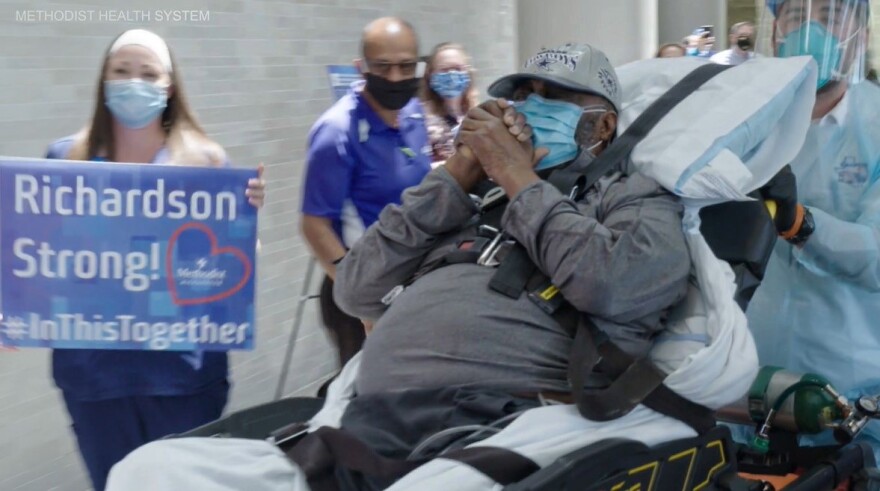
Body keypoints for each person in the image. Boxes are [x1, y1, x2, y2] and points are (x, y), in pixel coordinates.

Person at [319, 42, 691, 489]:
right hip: (372, 421)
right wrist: (459, 173)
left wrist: (518, 177)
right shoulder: (470, 198)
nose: (532, 108)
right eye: (524, 95)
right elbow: (354, 288)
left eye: (555, 96)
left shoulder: (629, 196)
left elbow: (617, 284)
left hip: (492, 424)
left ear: (604, 125)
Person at [44, 29, 266, 491]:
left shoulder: (205, 161)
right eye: (121, 71)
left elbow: (230, 271)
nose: (133, 83)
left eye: (148, 73)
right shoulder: (66, 159)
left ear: (169, 86)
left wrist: (244, 223)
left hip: (183, 377)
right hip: (94, 376)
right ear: (103, 81)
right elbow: (39, 258)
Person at [746, 0, 880, 458]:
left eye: (829, 15)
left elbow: (876, 257)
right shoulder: (747, 125)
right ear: (775, 32)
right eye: (797, 18)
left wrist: (798, 222)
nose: (811, 31)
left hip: (851, 403)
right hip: (746, 394)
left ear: (859, 36)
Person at [300, 17, 432, 369]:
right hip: (359, 295)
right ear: (362, 67)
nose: (394, 78)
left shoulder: (414, 113)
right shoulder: (336, 132)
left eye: (406, 66)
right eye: (382, 67)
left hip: (410, 287)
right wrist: (362, 299)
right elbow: (315, 225)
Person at [421, 42, 478, 163]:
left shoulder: (478, 116)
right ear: (431, 75)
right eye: (444, 70)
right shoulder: (420, 119)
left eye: (458, 69)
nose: (452, 75)